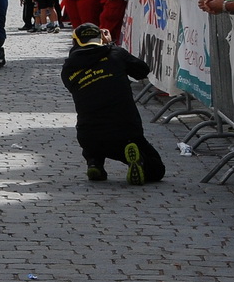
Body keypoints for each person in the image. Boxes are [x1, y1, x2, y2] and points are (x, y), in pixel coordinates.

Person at [61, 23, 166, 184]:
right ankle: (140, 161)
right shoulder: (115, 53)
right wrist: (110, 45)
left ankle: (94, 162)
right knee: (157, 170)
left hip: (89, 133)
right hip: (125, 129)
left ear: (75, 42)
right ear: (100, 38)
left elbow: (73, 87)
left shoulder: (68, 68)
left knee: (92, 128)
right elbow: (142, 71)